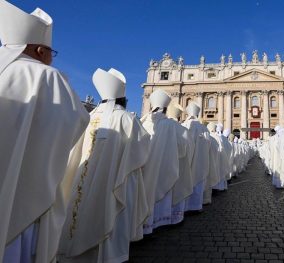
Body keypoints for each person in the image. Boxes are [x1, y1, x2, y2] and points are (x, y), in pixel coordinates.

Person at [0, 1, 89, 262]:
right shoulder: (47, 77)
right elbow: (73, 125)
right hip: (24, 199)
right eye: (52, 52)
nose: (51, 58)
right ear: (40, 50)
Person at [58, 68, 151, 263]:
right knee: (110, 214)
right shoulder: (127, 119)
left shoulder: (88, 117)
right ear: (123, 98)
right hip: (114, 182)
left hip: (79, 179)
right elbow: (142, 150)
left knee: (77, 206)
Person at [141, 89, 189, 233]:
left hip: (142, 166)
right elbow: (182, 147)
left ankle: (142, 225)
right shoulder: (172, 126)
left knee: (143, 194)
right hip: (164, 166)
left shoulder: (141, 122)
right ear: (166, 108)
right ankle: (159, 221)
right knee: (162, 190)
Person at [183, 103, 212, 211]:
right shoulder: (204, 129)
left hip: (185, 161)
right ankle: (195, 206)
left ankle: (183, 208)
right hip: (200, 161)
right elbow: (209, 144)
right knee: (198, 183)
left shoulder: (183, 126)